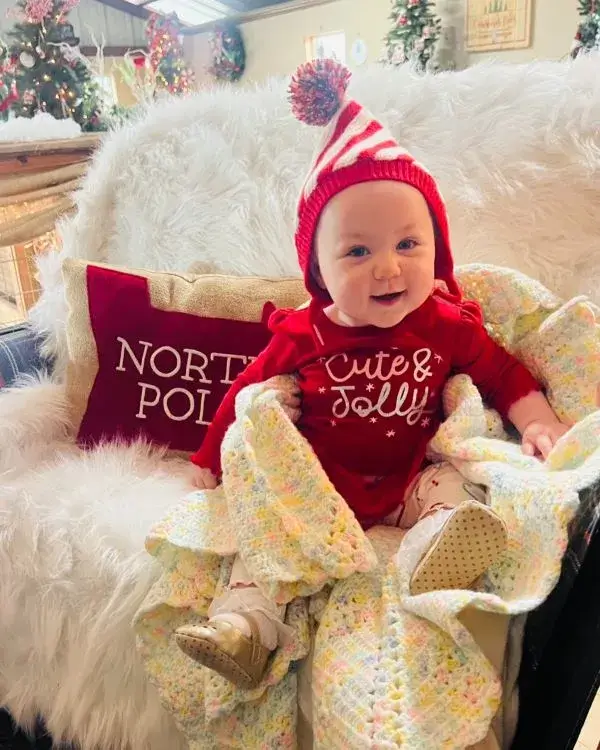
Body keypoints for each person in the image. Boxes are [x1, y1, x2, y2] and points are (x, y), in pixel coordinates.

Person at [174, 59, 569, 690]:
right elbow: (245, 395)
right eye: (358, 251)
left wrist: (539, 419)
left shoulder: (442, 322)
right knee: (260, 544)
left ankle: (435, 554)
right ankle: (245, 630)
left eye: (408, 245)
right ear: (319, 271)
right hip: (314, 492)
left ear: (436, 247)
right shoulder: (304, 334)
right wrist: (206, 462)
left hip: (407, 480)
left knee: (454, 493)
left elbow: (499, 371)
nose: (388, 268)